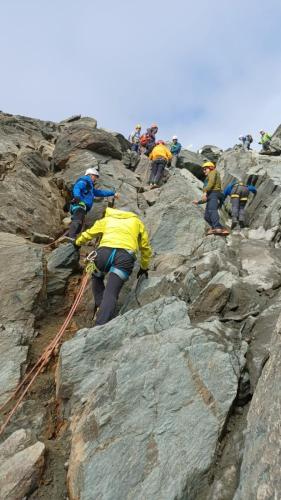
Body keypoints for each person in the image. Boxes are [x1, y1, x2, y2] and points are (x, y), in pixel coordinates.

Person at [74, 206, 152, 325]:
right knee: (111, 292)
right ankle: (101, 323)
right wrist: (144, 267)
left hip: (103, 254)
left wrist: (77, 243)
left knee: (97, 276)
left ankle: (101, 306)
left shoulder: (107, 219)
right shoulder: (137, 222)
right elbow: (145, 247)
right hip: (125, 257)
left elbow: (89, 233)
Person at [68, 168, 117, 239]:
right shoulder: (85, 181)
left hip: (82, 207)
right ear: (90, 175)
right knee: (77, 220)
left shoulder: (90, 187)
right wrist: (77, 197)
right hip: (79, 205)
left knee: (79, 223)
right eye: (95, 176)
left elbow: (100, 192)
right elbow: (77, 187)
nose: (95, 179)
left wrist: (112, 193)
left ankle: (73, 238)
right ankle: (71, 237)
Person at [192, 162, 229, 235]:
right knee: (206, 216)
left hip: (214, 193)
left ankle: (217, 227)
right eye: (203, 170)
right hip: (212, 195)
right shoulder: (210, 175)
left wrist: (205, 191)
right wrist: (198, 202)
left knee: (212, 211)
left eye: (205, 169)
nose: (204, 171)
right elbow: (207, 198)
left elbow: (211, 182)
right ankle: (221, 228)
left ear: (210, 168)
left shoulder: (213, 172)